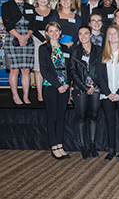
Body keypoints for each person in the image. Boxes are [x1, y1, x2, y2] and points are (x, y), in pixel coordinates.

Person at [97, 25, 119, 161]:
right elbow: (100, 75)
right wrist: (108, 93)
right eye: (109, 34)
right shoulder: (102, 54)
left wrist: (118, 92)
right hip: (107, 94)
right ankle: (111, 149)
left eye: (114, 33)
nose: (112, 36)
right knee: (109, 122)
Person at [69, 24, 103, 160]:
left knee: (94, 116)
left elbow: (102, 69)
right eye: (80, 34)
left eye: (86, 33)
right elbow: (72, 71)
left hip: (96, 88)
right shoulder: (74, 51)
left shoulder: (99, 50)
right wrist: (84, 87)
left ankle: (92, 144)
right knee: (81, 117)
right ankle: (83, 146)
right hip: (80, 88)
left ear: (90, 35)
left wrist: (95, 85)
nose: (83, 36)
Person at [39, 22, 71, 160]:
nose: (53, 33)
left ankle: (60, 144)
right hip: (51, 86)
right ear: (47, 33)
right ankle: (53, 145)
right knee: (52, 116)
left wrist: (67, 84)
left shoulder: (65, 48)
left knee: (61, 117)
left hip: (65, 87)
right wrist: (58, 85)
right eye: (50, 31)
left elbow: (70, 68)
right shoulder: (43, 48)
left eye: (56, 30)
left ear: (60, 32)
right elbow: (44, 70)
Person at [32, 0, 53, 103]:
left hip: (51, 39)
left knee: (50, 67)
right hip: (37, 40)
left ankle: (49, 92)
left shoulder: (53, 12)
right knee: (38, 68)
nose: (43, 0)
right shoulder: (33, 11)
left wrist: (49, 39)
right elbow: (32, 28)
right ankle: (40, 94)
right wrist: (43, 40)